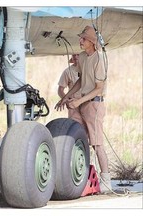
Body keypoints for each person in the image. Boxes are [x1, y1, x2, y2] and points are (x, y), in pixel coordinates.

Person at [54, 25, 112, 193]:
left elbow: (98, 88)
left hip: (94, 104)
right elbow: (80, 82)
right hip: (83, 102)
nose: (80, 41)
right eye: (80, 38)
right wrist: (65, 98)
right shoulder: (82, 57)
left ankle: (106, 181)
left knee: (97, 144)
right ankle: (80, 176)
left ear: (92, 42)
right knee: (78, 139)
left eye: (83, 39)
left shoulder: (99, 59)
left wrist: (79, 102)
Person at [57, 54, 83, 124]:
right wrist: (67, 100)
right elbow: (60, 90)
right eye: (73, 55)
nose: (75, 57)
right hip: (73, 104)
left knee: (88, 130)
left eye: (78, 54)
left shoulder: (87, 69)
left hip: (86, 103)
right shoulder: (67, 71)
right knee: (75, 127)